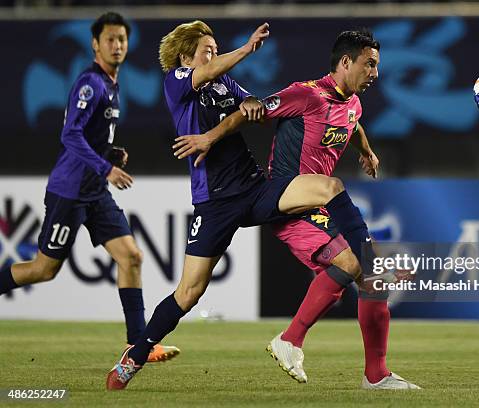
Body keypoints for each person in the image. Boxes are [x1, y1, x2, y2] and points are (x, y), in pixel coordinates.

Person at [106, 20, 376, 391]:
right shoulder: (176, 80)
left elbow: (251, 104)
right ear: (186, 55)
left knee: (329, 187)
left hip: (254, 189)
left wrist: (250, 103)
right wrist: (246, 50)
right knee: (189, 293)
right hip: (214, 202)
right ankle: (134, 356)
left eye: (216, 48)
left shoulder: (223, 82)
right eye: (207, 49)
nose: (214, 55)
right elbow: (211, 72)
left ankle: (366, 256)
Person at [172, 29, 420, 390]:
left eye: (376, 66)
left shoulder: (353, 104)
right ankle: (291, 339)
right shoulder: (305, 94)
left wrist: (364, 149)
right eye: (369, 64)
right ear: (346, 62)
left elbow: (351, 124)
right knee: (358, 264)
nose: (375, 74)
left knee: (371, 280)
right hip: (288, 198)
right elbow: (250, 111)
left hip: (317, 202)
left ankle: (376, 375)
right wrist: (210, 136)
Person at [0, 12, 179, 362]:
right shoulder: (90, 83)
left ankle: (137, 344)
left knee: (131, 256)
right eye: (110, 39)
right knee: (43, 269)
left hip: (95, 190)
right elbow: (69, 134)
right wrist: (106, 166)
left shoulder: (111, 83)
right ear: (95, 44)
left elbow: (86, 135)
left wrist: (108, 153)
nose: (117, 45)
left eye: (122, 40)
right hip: (70, 191)